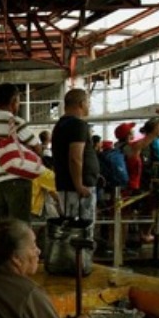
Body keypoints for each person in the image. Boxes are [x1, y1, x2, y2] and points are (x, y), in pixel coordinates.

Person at [0, 83, 44, 222]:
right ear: (13, 101)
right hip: (18, 180)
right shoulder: (15, 122)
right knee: (20, 227)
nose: (19, 105)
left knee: (5, 228)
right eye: (19, 101)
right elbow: (37, 148)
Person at [51, 89, 98, 223]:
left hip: (66, 185)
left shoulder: (60, 125)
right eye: (88, 103)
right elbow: (75, 157)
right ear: (82, 104)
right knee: (82, 228)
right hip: (78, 187)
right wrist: (79, 185)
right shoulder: (78, 125)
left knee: (70, 224)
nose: (88, 106)